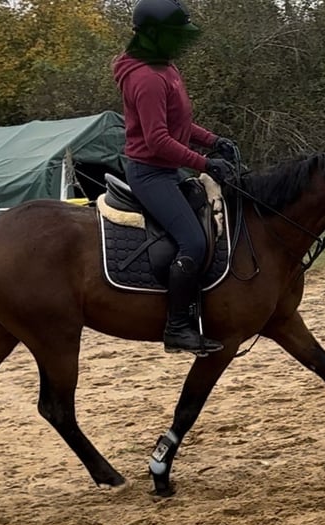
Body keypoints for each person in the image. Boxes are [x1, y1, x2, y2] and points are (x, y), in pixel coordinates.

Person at [112, 0, 237, 355]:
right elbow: (157, 139)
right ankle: (177, 327)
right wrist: (204, 162)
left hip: (166, 169)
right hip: (150, 174)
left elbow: (178, 124)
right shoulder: (146, 78)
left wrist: (213, 140)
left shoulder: (165, 68)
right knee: (193, 243)